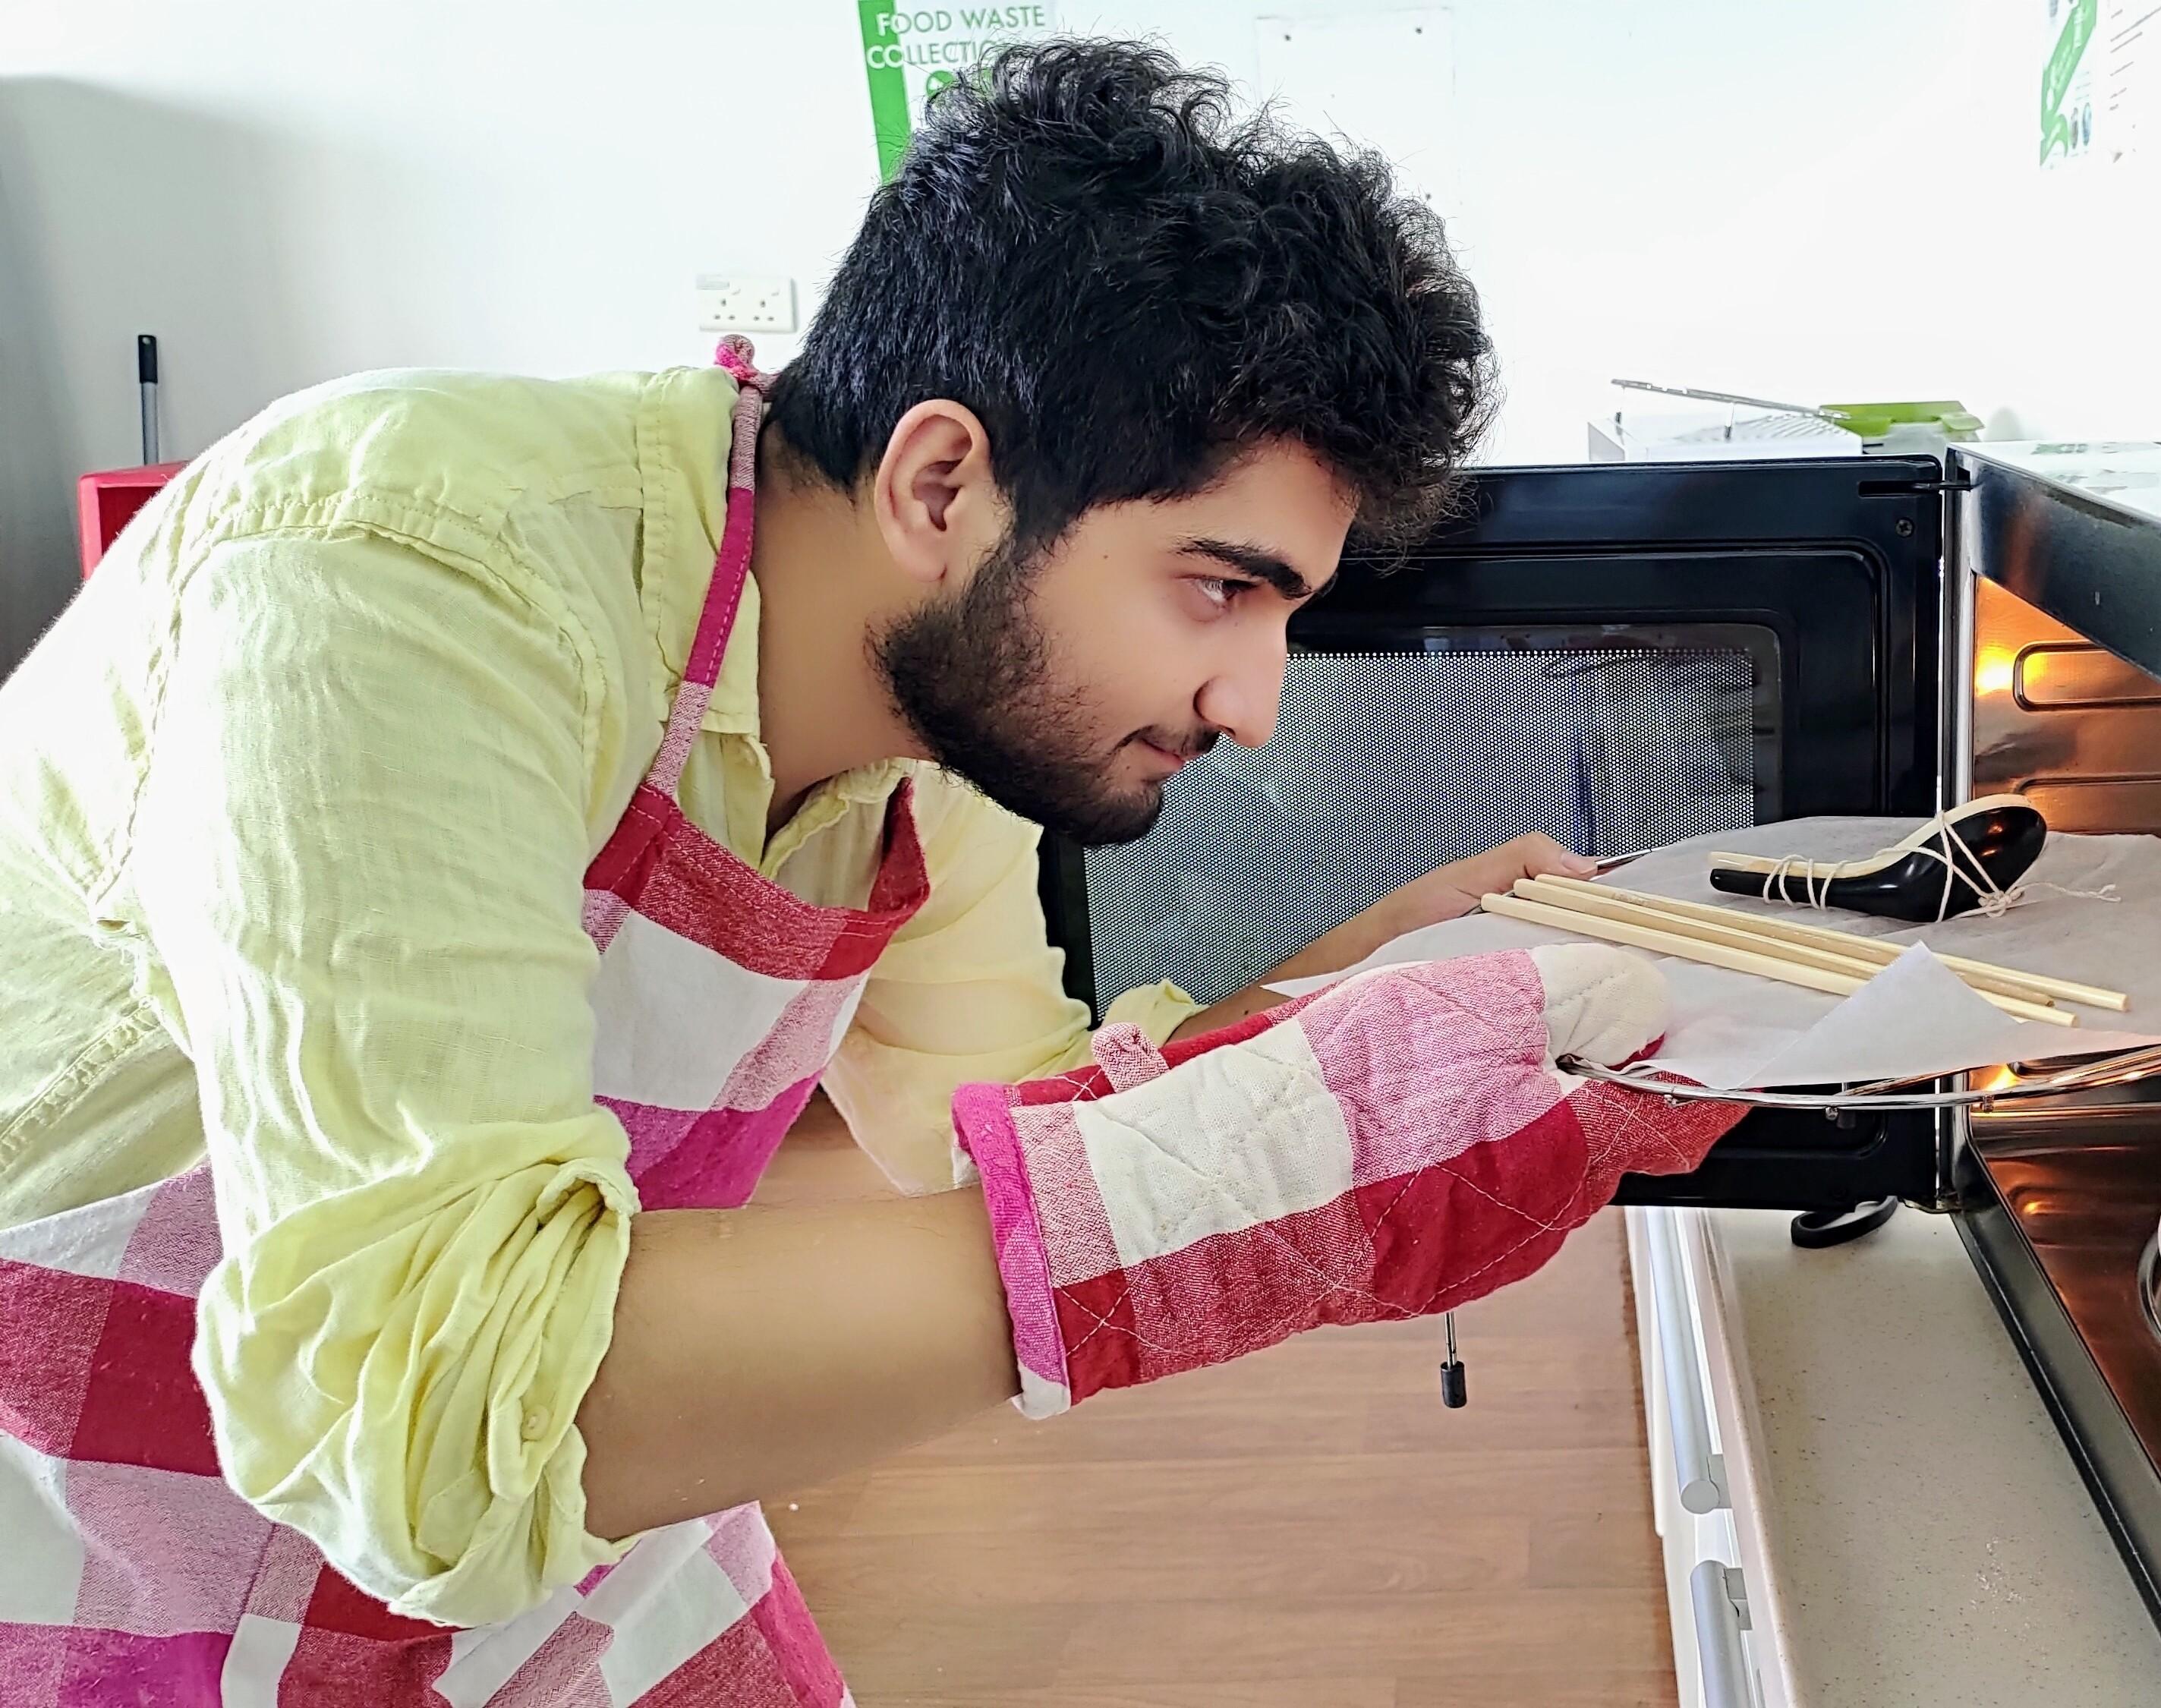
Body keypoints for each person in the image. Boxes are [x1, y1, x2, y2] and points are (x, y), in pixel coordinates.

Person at [0, 40, 1734, 1703]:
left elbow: (1012, 1123)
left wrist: (1365, 989)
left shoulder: (927, 713)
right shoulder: (407, 577)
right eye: (1217, 590)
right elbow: (432, 1425)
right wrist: (1251, 1184)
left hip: (560, 1481)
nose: (1254, 707)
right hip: (114, 1495)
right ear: (941, 480)